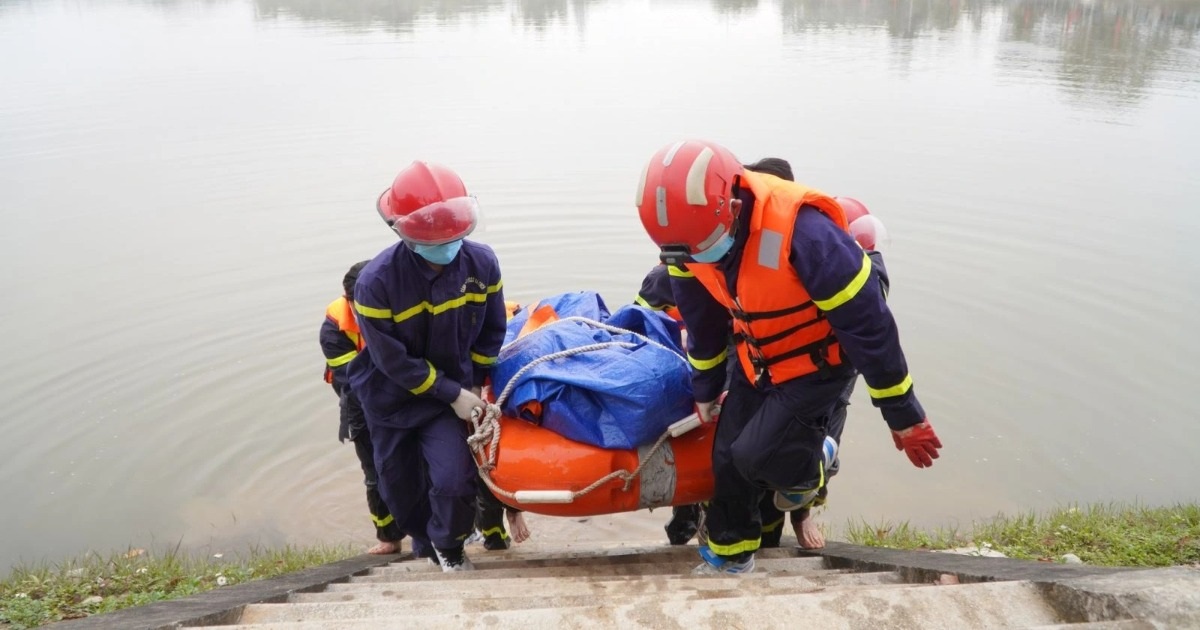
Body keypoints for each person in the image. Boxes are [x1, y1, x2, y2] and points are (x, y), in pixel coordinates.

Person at [633, 140, 943, 574]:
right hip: (755, 354)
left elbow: (870, 326)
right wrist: (704, 390)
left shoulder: (808, 235)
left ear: (734, 207)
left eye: (701, 248)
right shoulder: (686, 242)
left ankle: (818, 462)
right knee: (725, 456)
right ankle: (731, 558)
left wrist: (903, 415)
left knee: (755, 456)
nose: (695, 260)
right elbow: (704, 325)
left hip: (817, 365)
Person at [348, 161, 508, 572]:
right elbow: (391, 361)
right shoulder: (376, 283)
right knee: (399, 488)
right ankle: (426, 543)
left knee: (454, 481)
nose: (447, 242)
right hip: (392, 398)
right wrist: (453, 393)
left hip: (450, 395)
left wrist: (482, 383)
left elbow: (491, 329)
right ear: (402, 230)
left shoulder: (481, 265)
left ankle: (450, 548)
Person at [319, 261, 409, 555]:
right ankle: (388, 537)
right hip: (361, 402)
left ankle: (437, 530)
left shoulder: (402, 307)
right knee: (375, 472)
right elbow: (353, 378)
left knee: (423, 463)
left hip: (407, 393)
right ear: (349, 302)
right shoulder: (334, 329)